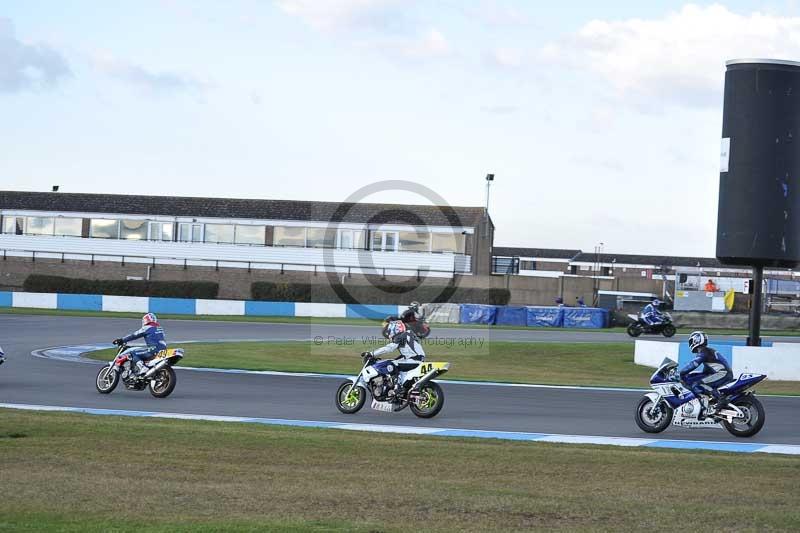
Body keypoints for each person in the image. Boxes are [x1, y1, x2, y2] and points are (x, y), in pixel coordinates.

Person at [362, 320, 426, 398]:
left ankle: (397, 387)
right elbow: (407, 354)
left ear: (394, 329)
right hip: (416, 359)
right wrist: (395, 359)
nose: (389, 334)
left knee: (391, 364)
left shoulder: (402, 335)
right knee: (393, 362)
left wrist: (372, 353)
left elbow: (389, 348)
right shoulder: (408, 335)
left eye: (389, 331)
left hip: (414, 360)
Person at [677, 331, 734, 419]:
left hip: (722, 374)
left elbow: (694, 364)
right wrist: (692, 375)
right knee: (694, 378)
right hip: (722, 373)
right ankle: (709, 403)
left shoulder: (703, 352)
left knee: (698, 384)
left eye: (691, 341)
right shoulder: (708, 351)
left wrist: (681, 372)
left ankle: (720, 398)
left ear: (696, 340)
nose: (690, 343)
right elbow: (708, 369)